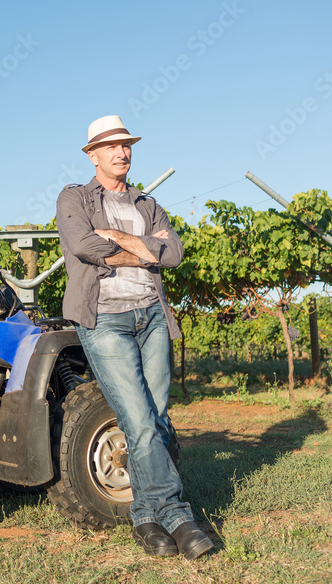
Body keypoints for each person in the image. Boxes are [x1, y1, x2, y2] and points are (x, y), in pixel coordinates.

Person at [55, 115, 213, 560]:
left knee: (155, 421)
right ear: (93, 154)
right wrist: (145, 250)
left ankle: (144, 515)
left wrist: (122, 239)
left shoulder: (148, 203)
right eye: (110, 146)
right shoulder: (75, 197)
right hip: (104, 318)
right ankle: (178, 515)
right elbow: (85, 245)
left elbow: (175, 253)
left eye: (126, 145)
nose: (121, 152)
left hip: (152, 318)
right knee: (140, 421)